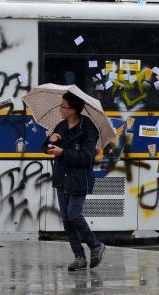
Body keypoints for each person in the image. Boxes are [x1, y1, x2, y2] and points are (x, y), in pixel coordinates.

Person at [46, 91, 106, 271]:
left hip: (79, 179)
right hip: (61, 177)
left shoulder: (88, 129)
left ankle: (95, 245)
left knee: (74, 215)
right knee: (66, 220)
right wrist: (50, 141)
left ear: (73, 110)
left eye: (63, 106)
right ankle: (79, 257)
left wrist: (63, 152)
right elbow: (46, 148)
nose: (60, 109)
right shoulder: (61, 126)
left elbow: (87, 158)